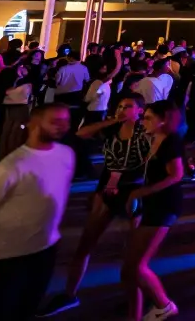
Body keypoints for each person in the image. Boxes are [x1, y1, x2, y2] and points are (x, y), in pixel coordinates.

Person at [39, 94, 149, 317]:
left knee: (134, 255)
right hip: (107, 189)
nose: (122, 110)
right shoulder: (112, 129)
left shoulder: (145, 133)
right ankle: (69, 294)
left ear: (140, 111)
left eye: (128, 106)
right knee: (85, 244)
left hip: (134, 192)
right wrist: (112, 120)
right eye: (119, 106)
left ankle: (137, 300)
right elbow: (81, 133)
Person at [0, 103, 74, 320]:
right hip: (5, 256)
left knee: (27, 308)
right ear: (33, 124)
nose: (63, 127)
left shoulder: (66, 154)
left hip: (45, 250)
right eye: (55, 121)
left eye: (66, 121)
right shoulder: (11, 167)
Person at [123, 100, 185, 321]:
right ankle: (135, 315)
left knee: (137, 266)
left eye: (149, 118)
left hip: (165, 205)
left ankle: (164, 304)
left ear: (163, 120)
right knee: (129, 268)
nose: (143, 121)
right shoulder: (153, 138)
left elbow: (176, 175)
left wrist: (142, 193)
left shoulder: (171, 141)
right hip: (152, 204)